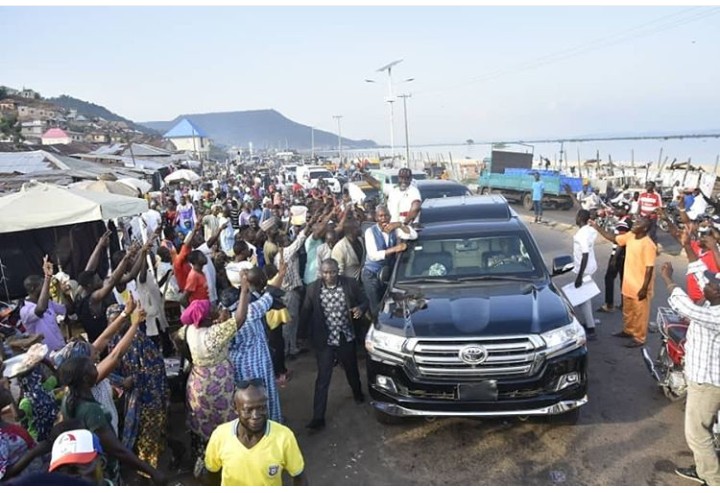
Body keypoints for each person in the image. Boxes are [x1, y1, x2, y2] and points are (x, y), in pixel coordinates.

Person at [174, 283, 251, 470]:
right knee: (227, 418)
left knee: (203, 420)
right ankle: (231, 460)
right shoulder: (215, 333)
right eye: (214, 309)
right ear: (208, 317)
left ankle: (206, 461)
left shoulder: (189, 330)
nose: (218, 308)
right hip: (219, 382)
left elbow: (176, 339)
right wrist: (244, 292)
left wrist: (191, 358)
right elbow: (240, 318)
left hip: (197, 382)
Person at [659, 252, 720, 486]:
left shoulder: (714, 314)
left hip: (707, 383)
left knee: (697, 434)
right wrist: (686, 244)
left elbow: (685, 306)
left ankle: (713, 480)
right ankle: (704, 468)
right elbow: (703, 279)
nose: (708, 284)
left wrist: (667, 278)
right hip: (707, 379)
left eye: (713, 285)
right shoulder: (713, 299)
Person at [57, 356, 166, 485]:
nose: (96, 367)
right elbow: (116, 449)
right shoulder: (91, 411)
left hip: (85, 468)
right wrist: (151, 471)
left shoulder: (68, 400)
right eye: (92, 367)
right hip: (102, 471)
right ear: (86, 378)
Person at [300, 259, 368, 430]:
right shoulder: (313, 289)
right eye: (325, 272)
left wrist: (360, 308)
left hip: (346, 335)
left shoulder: (350, 284)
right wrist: (300, 336)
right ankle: (318, 418)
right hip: (325, 339)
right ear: (320, 272)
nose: (328, 276)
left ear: (338, 271)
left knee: (351, 369)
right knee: (323, 378)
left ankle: (358, 393)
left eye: (332, 272)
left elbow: (364, 301)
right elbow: (306, 312)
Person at [203, 381, 307, 486]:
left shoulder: (284, 437)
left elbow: (299, 477)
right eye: (248, 410)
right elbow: (212, 475)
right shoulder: (220, 436)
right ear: (235, 408)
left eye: (261, 408)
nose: (256, 415)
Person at [106, 303, 169, 470]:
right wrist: (121, 381)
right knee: (142, 432)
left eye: (120, 321)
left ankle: (148, 472)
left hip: (149, 394)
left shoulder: (140, 340)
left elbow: (155, 369)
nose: (118, 325)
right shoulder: (114, 341)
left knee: (149, 432)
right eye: (113, 322)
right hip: (132, 395)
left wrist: (132, 379)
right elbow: (113, 367)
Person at [228, 260, 288, 424]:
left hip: (238, 367)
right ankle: (270, 426)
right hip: (258, 363)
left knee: (245, 403)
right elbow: (271, 293)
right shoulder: (252, 310)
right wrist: (281, 274)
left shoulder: (224, 318)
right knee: (264, 397)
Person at [591, 216, 656, 347]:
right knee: (628, 310)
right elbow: (614, 238)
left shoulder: (648, 245)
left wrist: (644, 288)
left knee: (640, 314)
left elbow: (649, 269)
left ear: (644, 228)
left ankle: (639, 338)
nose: (634, 223)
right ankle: (628, 330)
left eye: (638, 223)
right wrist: (597, 227)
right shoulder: (631, 235)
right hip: (628, 283)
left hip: (640, 286)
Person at [362, 205, 418, 320]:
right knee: (376, 307)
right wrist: (395, 249)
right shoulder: (370, 232)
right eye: (380, 216)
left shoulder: (394, 229)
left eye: (386, 215)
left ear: (390, 217)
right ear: (376, 218)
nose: (383, 218)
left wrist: (400, 225)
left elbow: (413, 235)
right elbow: (373, 255)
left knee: (387, 305)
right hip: (371, 275)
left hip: (386, 274)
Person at [20, 256, 74, 352]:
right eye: (43, 286)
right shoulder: (25, 311)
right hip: (46, 356)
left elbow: (69, 310)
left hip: (61, 349)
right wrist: (47, 277)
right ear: (33, 289)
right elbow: (40, 309)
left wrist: (65, 293)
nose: (46, 289)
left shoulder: (48, 303)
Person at [597, 202, 632, 313]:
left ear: (624, 211)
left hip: (618, 254)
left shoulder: (622, 224)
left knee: (609, 278)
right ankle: (624, 304)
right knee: (623, 280)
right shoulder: (628, 221)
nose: (615, 210)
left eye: (618, 209)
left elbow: (620, 242)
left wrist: (614, 258)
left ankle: (609, 304)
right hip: (626, 254)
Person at [571, 210, 599, 339]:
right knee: (585, 297)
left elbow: (585, 254)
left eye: (577, 216)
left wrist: (579, 277)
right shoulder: (590, 230)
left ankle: (591, 328)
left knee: (584, 299)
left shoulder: (581, 235)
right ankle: (589, 323)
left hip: (584, 269)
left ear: (580, 218)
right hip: (590, 267)